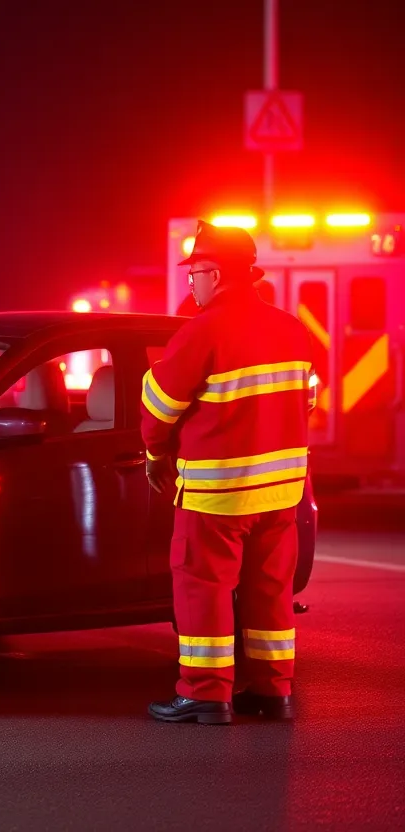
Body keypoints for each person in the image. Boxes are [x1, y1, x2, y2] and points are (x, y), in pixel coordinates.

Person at [142, 220, 313, 725]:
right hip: (281, 491)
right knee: (269, 589)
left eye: (193, 273)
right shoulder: (293, 328)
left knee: (204, 588)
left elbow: (159, 408)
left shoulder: (203, 331)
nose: (189, 283)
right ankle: (272, 689)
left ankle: (206, 693)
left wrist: (155, 457)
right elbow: (306, 404)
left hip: (218, 495)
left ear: (214, 274)